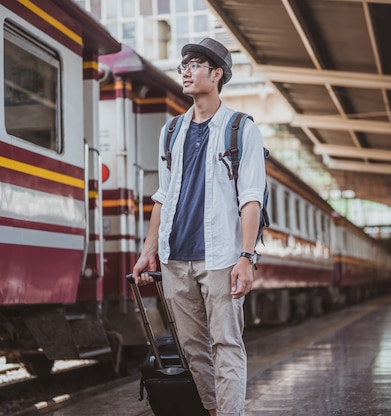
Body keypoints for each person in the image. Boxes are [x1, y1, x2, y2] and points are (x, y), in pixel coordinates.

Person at [132, 38, 266, 416]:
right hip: (177, 258)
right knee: (193, 350)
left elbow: (250, 198)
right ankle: (212, 410)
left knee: (226, 344)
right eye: (184, 66)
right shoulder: (171, 131)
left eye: (195, 65)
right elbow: (163, 195)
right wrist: (148, 250)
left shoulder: (241, 129)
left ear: (217, 73)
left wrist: (246, 256)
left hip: (221, 255)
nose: (187, 72)